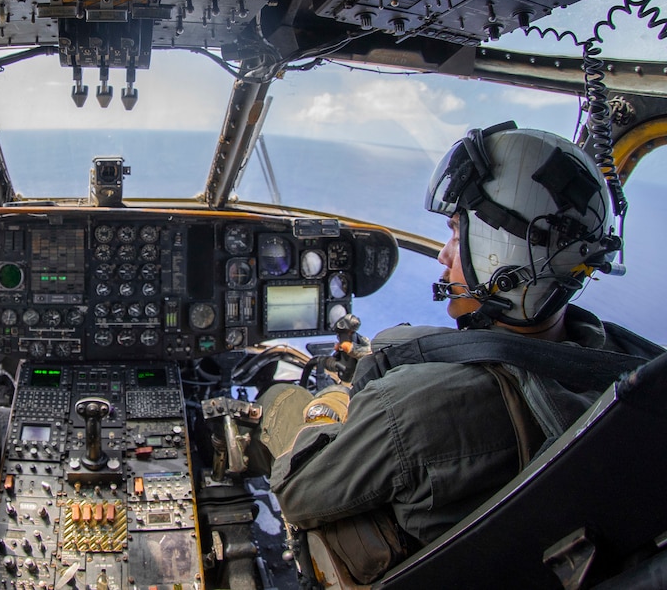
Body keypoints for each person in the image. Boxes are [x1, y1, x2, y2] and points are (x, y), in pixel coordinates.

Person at [244, 123, 663, 584]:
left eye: (458, 233)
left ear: (501, 253)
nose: (444, 255)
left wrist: (333, 404)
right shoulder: (634, 377)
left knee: (280, 400)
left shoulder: (411, 405)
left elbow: (299, 492)